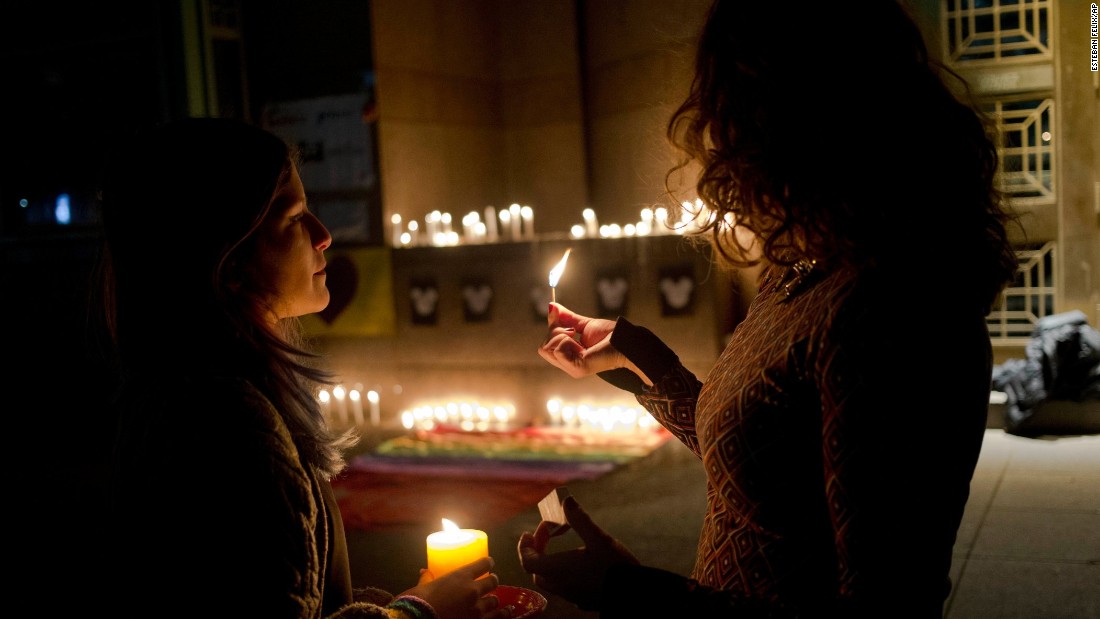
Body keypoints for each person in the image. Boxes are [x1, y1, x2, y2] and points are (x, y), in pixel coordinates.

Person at [518, 0, 1021, 617]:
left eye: (727, 106)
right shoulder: (805, 266)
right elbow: (765, 465)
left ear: (797, 116)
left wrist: (633, 593)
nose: (715, 138)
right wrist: (638, 358)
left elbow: (886, 604)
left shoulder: (887, 307)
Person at [92, 117, 507, 618]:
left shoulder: (192, 392)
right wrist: (419, 612)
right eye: (294, 219)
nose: (324, 236)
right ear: (229, 259)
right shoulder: (227, 426)